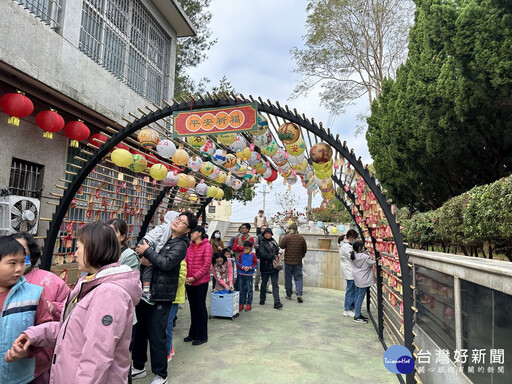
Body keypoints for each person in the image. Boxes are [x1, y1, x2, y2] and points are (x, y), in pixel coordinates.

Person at [5, 223, 142, 383]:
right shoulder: (90, 282)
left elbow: (96, 356)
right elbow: (71, 330)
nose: (75, 254)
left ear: (93, 249)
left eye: (78, 248)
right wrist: (33, 334)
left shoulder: (109, 293)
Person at [132, 212, 195, 384]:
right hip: (144, 290)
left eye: (183, 222)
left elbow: (166, 264)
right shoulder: (162, 234)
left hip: (161, 295)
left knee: (157, 335)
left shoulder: (181, 245)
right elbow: (143, 250)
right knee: (139, 332)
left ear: (187, 230)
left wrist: (148, 252)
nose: (178, 222)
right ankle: (138, 367)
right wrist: (143, 256)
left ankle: (161, 375)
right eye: (178, 218)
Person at [13, 232, 70, 384]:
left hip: (41, 365)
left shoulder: (51, 280)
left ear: (31, 255)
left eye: (22, 252)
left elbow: (72, 312)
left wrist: (53, 308)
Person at [1, 235, 53, 384]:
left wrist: (27, 350)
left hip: (22, 378)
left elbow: (46, 331)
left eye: (23, 262)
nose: (19, 269)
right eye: (12, 263)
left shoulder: (34, 295)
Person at [137, 211, 179, 303]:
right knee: (150, 265)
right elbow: (162, 242)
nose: (177, 221)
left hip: (143, 241)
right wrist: (154, 254)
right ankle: (146, 291)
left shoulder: (163, 226)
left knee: (145, 265)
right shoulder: (168, 228)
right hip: (147, 244)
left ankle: (142, 289)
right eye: (177, 219)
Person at [184, 226, 212, 346]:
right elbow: (185, 262)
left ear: (200, 233)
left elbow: (206, 265)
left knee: (200, 307)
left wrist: (194, 277)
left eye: (193, 232)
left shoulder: (207, 246)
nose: (191, 234)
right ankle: (193, 333)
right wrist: (186, 277)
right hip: (189, 281)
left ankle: (202, 335)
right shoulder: (189, 246)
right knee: (192, 307)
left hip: (200, 282)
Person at [279, 223, 307, 303]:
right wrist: (301, 256)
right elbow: (304, 249)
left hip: (288, 261)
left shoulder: (287, 237)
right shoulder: (301, 238)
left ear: (290, 229)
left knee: (288, 278)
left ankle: (289, 295)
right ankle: (299, 294)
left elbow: (281, 246)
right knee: (298, 278)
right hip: (298, 262)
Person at [351, 241, 378, 324]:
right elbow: (373, 262)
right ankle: (357, 316)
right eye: (362, 247)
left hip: (357, 278)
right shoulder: (364, 257)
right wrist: (371, 255)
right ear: (360, 248)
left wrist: (366, 254)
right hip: (363, 280)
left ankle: (357, 313)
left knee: (358, 296)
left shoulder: (354, 255)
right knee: (360, 297)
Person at [257, 228, 282, 309]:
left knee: (275, 285)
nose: (267, 235)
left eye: (268, 233)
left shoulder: (274, 242)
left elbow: (277, 251)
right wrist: (273, 256)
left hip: (274, 267)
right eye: (265, 233)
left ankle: (277, 302)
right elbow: (262, 254)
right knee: (264, 284)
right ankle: (262, 299)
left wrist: (278, 255)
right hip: (266, 267)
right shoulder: (262, 243)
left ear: (271, 234)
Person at [166, 258, 186, 362]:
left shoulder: (181, 261)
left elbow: (180, 279)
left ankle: (168, 350)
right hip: (163, 297)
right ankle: (169, 348)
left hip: (174, 298)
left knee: (168, 324)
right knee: (164, 325)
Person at [338, 229, 358, 317]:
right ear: (350, 238)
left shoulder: (347, 245)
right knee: (350, 290)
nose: (355, 240)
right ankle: (347, 309)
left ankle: (350, 307)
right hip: (349, 270)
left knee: (352, 289)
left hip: (350, 269)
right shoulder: (346, 247)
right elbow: (353, 257)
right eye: (354, 238)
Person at [236, 240, 258, 312]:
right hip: (241, 274)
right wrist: (242, 267)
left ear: (251, 248)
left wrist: (250, 268)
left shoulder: (253, 255)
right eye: (245, 248)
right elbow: (238, 263)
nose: (246, 250)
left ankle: (249, 304)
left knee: (249, 290)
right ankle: (241, 304)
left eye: (247, 248)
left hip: (249, 275)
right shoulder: (241, 254)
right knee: (241, 290)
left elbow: (255, 263)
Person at [253, 224, 271, 293]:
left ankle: (266, 287)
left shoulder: (270, 238)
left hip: (267, 258)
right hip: (259, 257)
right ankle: (256, 284)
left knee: (267, 273)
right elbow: (255, 245)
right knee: (258, 273)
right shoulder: (258, 237)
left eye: (265, 228)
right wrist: (262, 247)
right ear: (260, 230)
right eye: (263, 228)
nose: (264, 230)